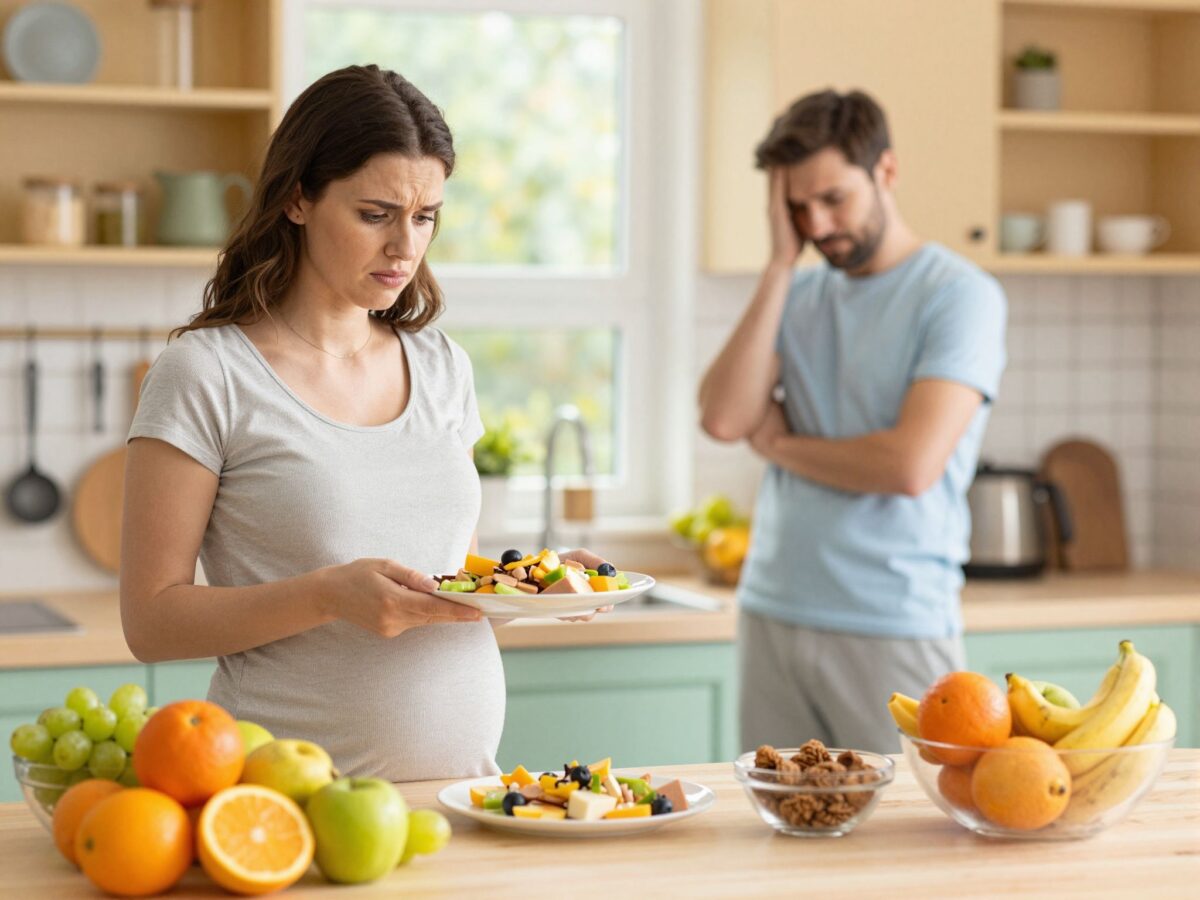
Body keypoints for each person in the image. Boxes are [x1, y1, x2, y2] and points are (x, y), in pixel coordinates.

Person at [120, 65, 606, 783]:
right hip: (286, 804)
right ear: (297, 199)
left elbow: (449, 588)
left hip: (460, 795)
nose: (405, 247)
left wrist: (538, 584)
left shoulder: (443, 367)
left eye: (425, 216)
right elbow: (151, 622)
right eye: (375, 214)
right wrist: (325, 596)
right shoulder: (207, 374)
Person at [698, 89, 1007, 753]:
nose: (818, 222)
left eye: (834, 198)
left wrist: (780, 444)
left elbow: (907, 466)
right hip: (774, 607)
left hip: (892, 618)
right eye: (797, 206)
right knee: (782, 834)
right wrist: (780, 262)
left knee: (906, 841)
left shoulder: (959, 296)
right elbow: (725, 417)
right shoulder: (798, 290)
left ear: (886, 172)